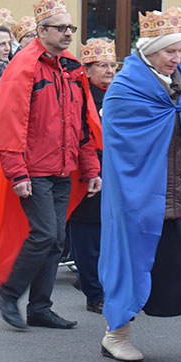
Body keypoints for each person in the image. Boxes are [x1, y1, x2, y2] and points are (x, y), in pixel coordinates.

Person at [99, 7, 181, 362]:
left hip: (176, 193)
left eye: (178, 50)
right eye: (170, 51)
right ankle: (115, 335)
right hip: (139, 196)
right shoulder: (125, 87)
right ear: (150, 51)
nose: (177, 58)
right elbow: (120, 144)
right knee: (132, 263)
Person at [0, 0, 101, 331]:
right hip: (34, 170)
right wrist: (17, 172)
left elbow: (83, 124)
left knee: (55, 240)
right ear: (41, 30)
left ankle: (40, 307)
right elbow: (9, 124)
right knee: (43, 234)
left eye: (71, 27)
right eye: (61, 27)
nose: (68, 33)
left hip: (62, 169)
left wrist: (91, 167)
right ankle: (8, 294)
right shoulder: (24, 66)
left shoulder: (72, 68)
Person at [67, 38, 115, 315]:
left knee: (108, 236)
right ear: (86, 69)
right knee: (87, 236)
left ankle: (101, 284)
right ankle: (94, 293)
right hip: (86, 170)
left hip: (114, 170)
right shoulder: (79, 94)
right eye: (102, 65)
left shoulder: (118, 94)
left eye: (112, 65)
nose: (109, 70)